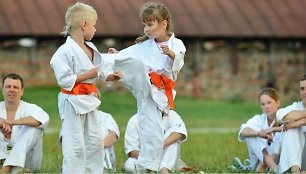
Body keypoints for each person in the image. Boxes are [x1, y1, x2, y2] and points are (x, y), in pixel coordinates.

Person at [108, 2, 186, 172]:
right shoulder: (145, 46)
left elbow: (179, 61)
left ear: (164, 23)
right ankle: (147, 167)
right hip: (145, 90)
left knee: (154, 131)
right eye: (144, 25)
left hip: (161, 94)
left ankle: (150, 166)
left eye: (150, 24)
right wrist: (117, 56)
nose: (146, 29)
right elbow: (131, 54)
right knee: (148, 128)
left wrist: (171, 55)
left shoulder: (176, 44)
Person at [50, 2, 121, 173]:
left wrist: (111, 75)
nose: (95, 30)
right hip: (72, 101)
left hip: (90, 100)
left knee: (95, 140)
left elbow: (99, 70)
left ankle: (93, 171)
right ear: (84, 25)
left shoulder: (91, 47)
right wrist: (88, 75)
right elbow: (64, 79)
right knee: (74, 143)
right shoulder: (64, 51)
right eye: (94, 25)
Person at [0, 73, 49, 173]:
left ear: (22, 91)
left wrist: (12, 122)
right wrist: (6, 136)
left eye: (16, 87)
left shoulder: (31, 108)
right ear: (2, 90)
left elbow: (44, 119)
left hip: (28, 162)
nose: (12, 90)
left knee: (34, 128)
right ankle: (8, 166)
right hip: (2, 158)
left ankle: (8, 167)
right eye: (8, 86)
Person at [123, 110, 187, 174]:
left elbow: (179, 133)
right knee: (129, 165)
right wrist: (151, 159)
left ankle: (164, 169)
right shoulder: (134, 120)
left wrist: (160, 146)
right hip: (145, 159)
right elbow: (132, 151)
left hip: (167, 157)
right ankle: (155, 168)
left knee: (172, 136)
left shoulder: (171, 114)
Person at [238, 87, 283, 172]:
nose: (266, 107)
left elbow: (293, 126)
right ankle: (271, 167)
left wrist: (273, 129)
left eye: (269, 102)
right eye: (263, 104)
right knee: (252, 135)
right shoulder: (259, 119)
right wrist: (259, 133)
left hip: (279, 159)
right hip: (260, 158)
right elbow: (243, 130)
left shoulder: (284, 115)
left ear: (277, 103)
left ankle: (268, 166)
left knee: (282, 133)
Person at [276, 73, 306, 173]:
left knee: (292, 125)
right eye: (302, 89)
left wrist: (298, 122)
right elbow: (280, 115)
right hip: (301, 158)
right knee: (289, 128)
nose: (304, 92)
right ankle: (295, 170)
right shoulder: (297, 106)